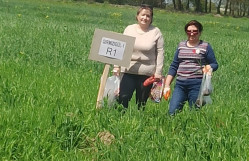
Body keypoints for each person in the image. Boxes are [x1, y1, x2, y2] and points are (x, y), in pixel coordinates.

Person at [113, 4, 164, 110]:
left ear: (151, 18)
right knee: (123, 97)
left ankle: (138, 122)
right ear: (137, 16)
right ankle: (120, 120)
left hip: (147, 73)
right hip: (128, 70)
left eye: (148, 16)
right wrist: (116, 66)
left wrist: (158, 71)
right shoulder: (129, 29)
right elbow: (122, 47)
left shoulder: (156, 32)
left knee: (141, 102)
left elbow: (160, 52)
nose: (145, 18)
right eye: (143, 15)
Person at [164, 20, 218, 115]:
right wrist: (167, 85)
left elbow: (214, 64)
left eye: (195, 31)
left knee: (194, 113)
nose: (191, 34)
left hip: (197, 85)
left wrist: (209, 67)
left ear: (200, 32)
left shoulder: (205, 46)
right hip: (180, 85)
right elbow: (174, 66)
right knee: (172, 112)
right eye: (189, 31)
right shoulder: (181, 46)